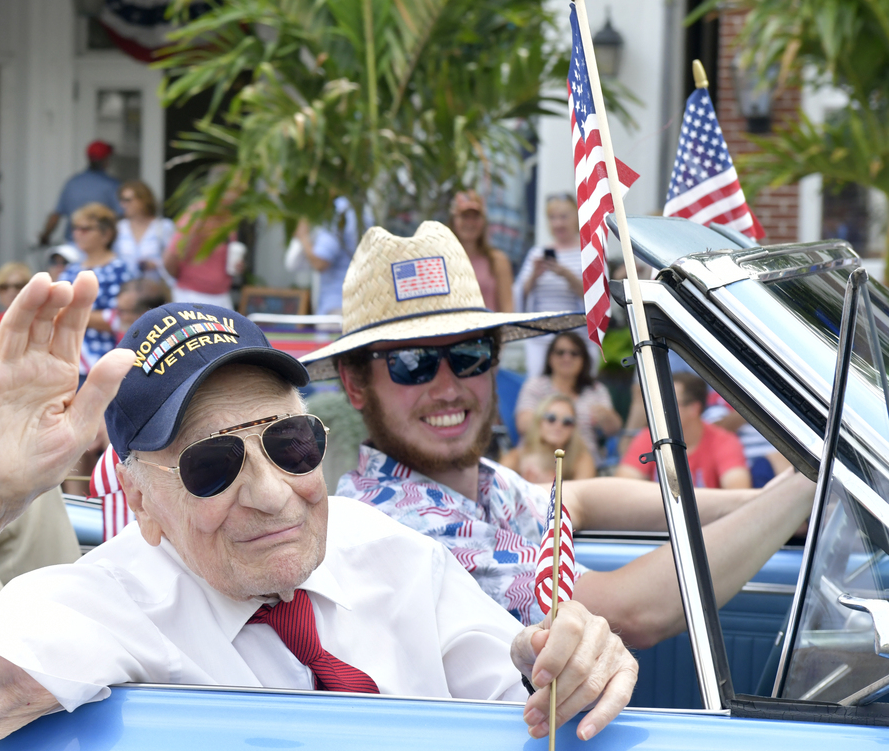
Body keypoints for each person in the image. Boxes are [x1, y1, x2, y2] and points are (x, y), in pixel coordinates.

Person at [0, 274, 638, 751]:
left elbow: (528, 709)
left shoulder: (391, 557)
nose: (269, 492)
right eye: (212, 466)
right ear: (144, 504)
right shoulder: (107, 603)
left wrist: (578, 666)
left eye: (292, 445)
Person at [305, 221, 815, 649]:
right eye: (411, 363)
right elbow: (631, 613)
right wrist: (808, 484)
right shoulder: (397, 521)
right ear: (355, 384)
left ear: (494, 360)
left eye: (469, 354)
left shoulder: (474, 485)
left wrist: (761, 502)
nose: (448, 386)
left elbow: (582, 500)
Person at [618, 373, 751, 490]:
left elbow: (738, 490)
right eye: (657, 402)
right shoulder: (650, 436)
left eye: (668, 403)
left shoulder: (724, 441)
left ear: (694, 408)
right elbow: (622, 488)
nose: (658, 409)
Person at [514, 331, 622, 460]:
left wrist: (606, 417)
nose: (567, 358)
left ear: (584, 359)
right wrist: (559, 433)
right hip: (539, 458)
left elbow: (614, 429)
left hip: (584, 459)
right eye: (560, 352)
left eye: (574, 353)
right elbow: (523, 424)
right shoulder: (535, 385)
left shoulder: (595, 390)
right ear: (550, 357)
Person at [513, 194, 588, 372]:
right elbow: (519, 294)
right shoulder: (537, 252)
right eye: (552, 217)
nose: (558, 223)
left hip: (575, 336)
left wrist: (566, 275)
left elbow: (595, 297)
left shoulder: (586, 253)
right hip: (540, 337)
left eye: (563, 217)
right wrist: (534, 276)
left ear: (576, 218)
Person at [60, 202, 135, 369]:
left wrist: (70, 314)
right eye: (75, 228)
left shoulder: (121, 269)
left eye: (85, 229)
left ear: (106, 234)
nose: (78, 234)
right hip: (67, 358)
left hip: (102, 360)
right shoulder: (70, 270)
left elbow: (123, 318)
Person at [39, 140, 122, 246]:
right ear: (106, 160)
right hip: (100, 247)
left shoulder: (72, 182)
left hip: (73, 244)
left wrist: (45, 236)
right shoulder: (112, 185)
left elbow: (55, 216)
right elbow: (121, 217)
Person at [502, 394, 595, 484]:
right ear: (539, 421)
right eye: (551, 418)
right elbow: (497, 486)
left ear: (573, 428)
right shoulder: (517, 457)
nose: (558, 426)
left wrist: (548, 488)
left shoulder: (581, 458)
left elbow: (582, 494)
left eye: (567, 421)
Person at [163, 199, 238, 308]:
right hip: (191, 295)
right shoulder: (197, 214)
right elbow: (170, 258)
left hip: (221, 296)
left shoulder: (229, 218)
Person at [448, 190, 514, 313]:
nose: (470, 223)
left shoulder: (497, 260)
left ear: (483, 222)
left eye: (475, 217)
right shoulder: (444, 260)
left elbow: (508, 310)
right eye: (465, 216)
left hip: (488, 331)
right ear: (454, 220)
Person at [293, 198, 360, 315]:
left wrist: (303, 237)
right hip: (357, 303)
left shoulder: (338, 211)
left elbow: (320, 262)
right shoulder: (360, 208)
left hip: (336, 306)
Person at [114, 180, 174, 280]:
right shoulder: (119, 227)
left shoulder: (164, 226)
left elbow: (175, 261)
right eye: (122, 200)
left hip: (156, 288)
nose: (123, 205)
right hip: (126, 289)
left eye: (128, 200)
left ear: (143, 200)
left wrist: (156, 265)